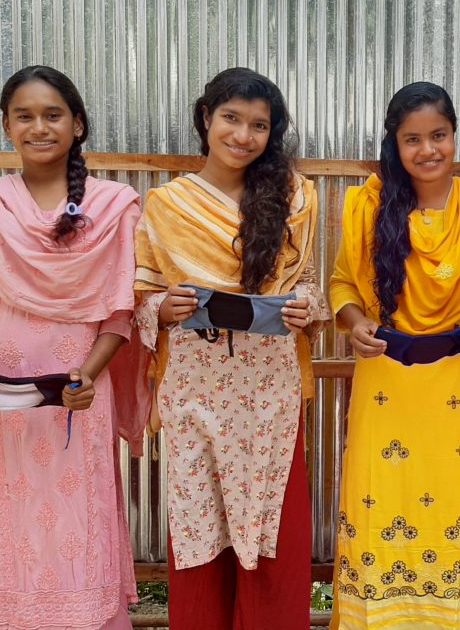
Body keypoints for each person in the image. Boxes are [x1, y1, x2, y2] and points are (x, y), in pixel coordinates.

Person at [0, 65, 142, 630]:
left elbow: (121, 309)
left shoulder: (113, 205)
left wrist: (87, 376)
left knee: (78, 525)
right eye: (24, 115)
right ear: (6, 125)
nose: (39, 127)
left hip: (77, 398)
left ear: (78, 125)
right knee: (5, 533)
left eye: (53, 115)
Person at [132, 67, 329, 630]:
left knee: (272, 530)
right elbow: (142, 297)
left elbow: (311, 291)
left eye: (259, 125)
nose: (244, 135)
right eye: (231, 119)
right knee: (200, 530)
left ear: (273, 133)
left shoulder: (296, 199)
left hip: (270, 391)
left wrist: (304, 309)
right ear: (205, 119)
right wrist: (160, 310)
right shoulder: (167, 206)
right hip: (195, 387)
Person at [328, 82, 460, 629]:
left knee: (452, 514)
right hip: (384, 381)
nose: (428, 150)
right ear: (395, 142)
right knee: (375, 505)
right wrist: (356, 322)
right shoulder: (367, 205)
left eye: (439, 135)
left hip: (457, 385)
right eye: (413, 139)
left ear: (456, 135)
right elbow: (342, 284)